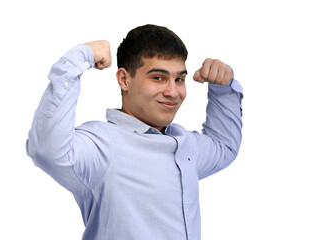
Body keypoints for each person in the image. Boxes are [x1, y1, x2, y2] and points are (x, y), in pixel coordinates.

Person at [26, 24, 243, 240]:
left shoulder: (187, 145)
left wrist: (223, 89)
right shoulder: (103, 145)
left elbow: (224, 146)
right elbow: (47, 151)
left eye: (179, 79)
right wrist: (78, 58)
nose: (173, 92)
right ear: (124, 79)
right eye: (158, 78)